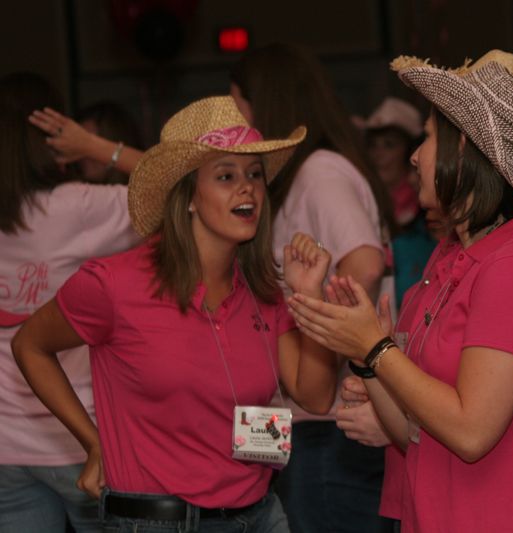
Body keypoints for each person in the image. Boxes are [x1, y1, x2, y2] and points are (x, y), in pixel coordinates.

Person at [286, 49, 513, 532]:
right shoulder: (453, 254)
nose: (413, 154)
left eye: (427, 139)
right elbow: (418, 434)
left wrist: (376, 346)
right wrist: (368, 360)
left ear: (465, 149)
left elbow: (471, 431)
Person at [11, 96, 339, 532]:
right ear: (186, 197)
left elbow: (315, 397)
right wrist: (93, 442)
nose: (248, 188)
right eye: (226, 176)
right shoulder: (114, 284)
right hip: (158, 521)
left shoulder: (264, 289)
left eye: (255, 175)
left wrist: (310, 297)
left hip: (261, 515)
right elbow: (29, 344)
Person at [230, 43, 395, 533]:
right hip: (304, 421)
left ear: (264, 102)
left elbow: (364, 264)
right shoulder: (302, 176)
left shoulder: (319, 171)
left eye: (237, 102)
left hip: (332, 426)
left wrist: (316, 335)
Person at [0, 72, 139, 533]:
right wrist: (99, 148)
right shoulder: (74, 206)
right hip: (85, 439)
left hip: (6, 451)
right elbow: (188, 189)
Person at [365, 97, 437, 303]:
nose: (379, 154)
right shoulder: (364, 204)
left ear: (410, 151)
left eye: (389, 145)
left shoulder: (429, 207)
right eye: (373, 146)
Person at [73, 101, 144, 185]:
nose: (83, 153)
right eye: (79, 143)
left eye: (94, 144)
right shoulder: (74, 190)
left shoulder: (144, 189)